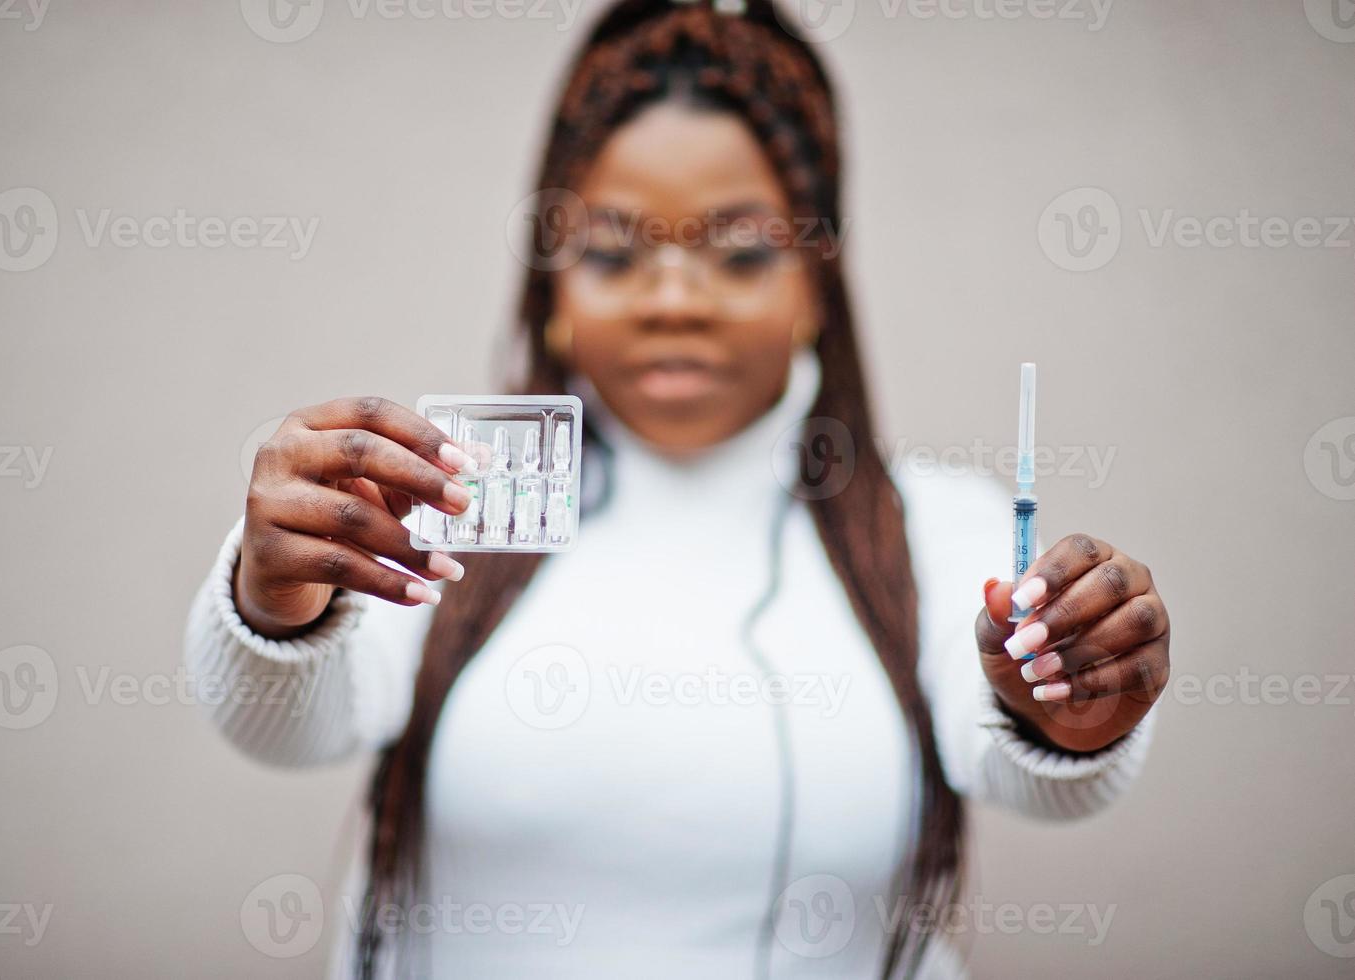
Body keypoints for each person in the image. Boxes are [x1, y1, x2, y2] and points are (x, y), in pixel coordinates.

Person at [185, 1, 1170, 976]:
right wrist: (274, 602)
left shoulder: (946, 534)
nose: (671, 297)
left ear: (816, 280)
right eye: (614, 250)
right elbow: (290, 727)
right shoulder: (452, 506)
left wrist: (1075, 705)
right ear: (553, 288)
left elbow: (1036, 762)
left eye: (739, 250)